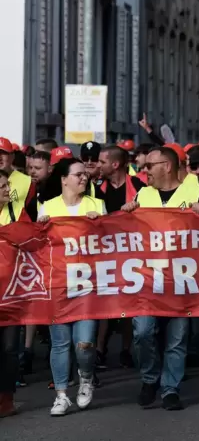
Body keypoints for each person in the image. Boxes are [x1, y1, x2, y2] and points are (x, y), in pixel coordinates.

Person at [121, 147, 199, 411]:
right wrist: (126, 213)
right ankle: (150, 377)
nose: (144, 171)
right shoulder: (143, 195)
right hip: (147, 278)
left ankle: (170, 388)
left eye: (150, 165)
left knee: (176, 338)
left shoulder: (193, 192)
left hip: (181, 278)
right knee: (144, 332)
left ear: (167, 166)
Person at [38, 158, 106, 416]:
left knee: (85, 343)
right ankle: (62, 395)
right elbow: (40, 247)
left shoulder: (96, 204)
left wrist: (100, 223)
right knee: (60, 343)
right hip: (58, 285)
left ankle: (86, 377)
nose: (83, 178)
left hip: (88, 285)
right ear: (63, 179)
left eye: (85, 175)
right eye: (77, 175)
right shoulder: (48, 207)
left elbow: (113, 244)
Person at [93, 146, 146, 370]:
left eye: (102, 162)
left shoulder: (139, 188)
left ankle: (126, 350)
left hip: (132, 254)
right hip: (104, 254)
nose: (97, 165)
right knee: (104, 301)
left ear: (115, 165)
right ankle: (99, 350)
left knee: (128, 304)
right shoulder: (96, 190)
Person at [0, 169, 31, 418]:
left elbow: (34, 244)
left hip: (12, 294)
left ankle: (6, 399)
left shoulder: (17, 213)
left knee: (10, 348)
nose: (7, 190)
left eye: (6, 185)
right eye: (1, 186)